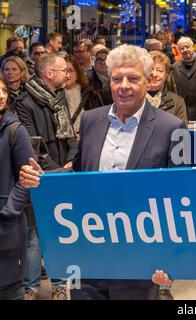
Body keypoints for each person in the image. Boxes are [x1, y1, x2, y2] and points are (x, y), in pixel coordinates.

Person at [19, 44, 183, 300]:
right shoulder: (91, 121)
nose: (123, 85)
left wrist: (172, 260)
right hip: (88, 253)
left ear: (148, 80)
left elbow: (179, 198)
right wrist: (44, 178)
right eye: (117, 79)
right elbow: (80, 177)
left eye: (133, 78)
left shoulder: (170, 127)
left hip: (138, 257)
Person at [15, 54, 78, 300]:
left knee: (60, 232)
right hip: (41, 177)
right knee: (33, 236)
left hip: (63, 173)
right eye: (65, 70)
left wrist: (74, 158)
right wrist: (59, 171)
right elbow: (31, 146)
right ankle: (30, 287)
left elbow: (71, 135)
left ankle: (60, 284)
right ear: (50, 74)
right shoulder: (24, 102)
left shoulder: (59, 98)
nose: (69, 75)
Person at [0, 75, 34, 300]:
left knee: (9, 288)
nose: (1, 95)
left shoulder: (15, 130)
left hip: (6, 224)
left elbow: (29, 178)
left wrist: (8, 212)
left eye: (3, 90)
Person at [64, 55, 104, 133]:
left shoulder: (91, 95)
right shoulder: (54, 96)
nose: (67, 74)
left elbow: (100, 122)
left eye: (70, 70)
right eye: (64, 71)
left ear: (77, 74)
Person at [146, 51, 188, 124]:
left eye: (159, 70)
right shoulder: (133, 100)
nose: (154, 74)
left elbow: (181, 133)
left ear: (165, 76)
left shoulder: (178, 102)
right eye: (151, 69)